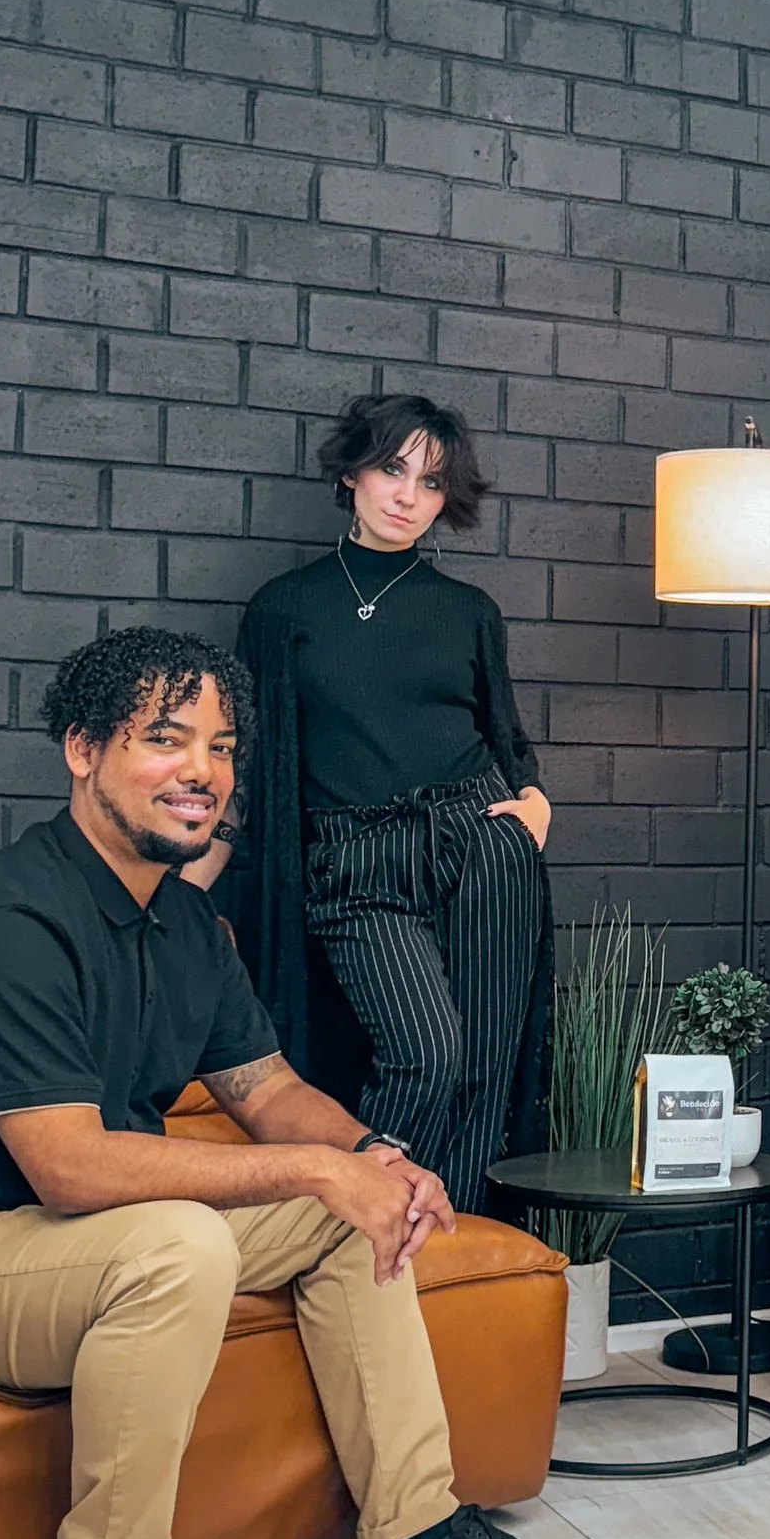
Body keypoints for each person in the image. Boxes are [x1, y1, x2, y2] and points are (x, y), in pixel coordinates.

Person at [0, 629, 585, 1539]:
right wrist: (318, 1168)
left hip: (59, 1240)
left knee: (343, 1211)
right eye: (165, 739)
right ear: (82, 750)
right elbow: (71, 1165)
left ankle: (415, 1534)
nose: (202, 770)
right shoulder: (5, 918)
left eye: (221, 747)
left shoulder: (183, 919)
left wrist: (375, 1156)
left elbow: (267, 1090)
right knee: (175, 1244)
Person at [204, 392, 551, 1214]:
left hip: (481, 841)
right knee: (428, 1053)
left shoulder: (469, 612)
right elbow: (247, 766)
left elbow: (506, 739)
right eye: (394, 469)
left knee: (484, 1067)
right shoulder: (283, 607)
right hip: (353, 861)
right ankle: (355, 1229)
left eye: (431, 482)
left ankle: (452, 1242)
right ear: (353, 473)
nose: (407, 496)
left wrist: (536, 806)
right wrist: (184, 887)